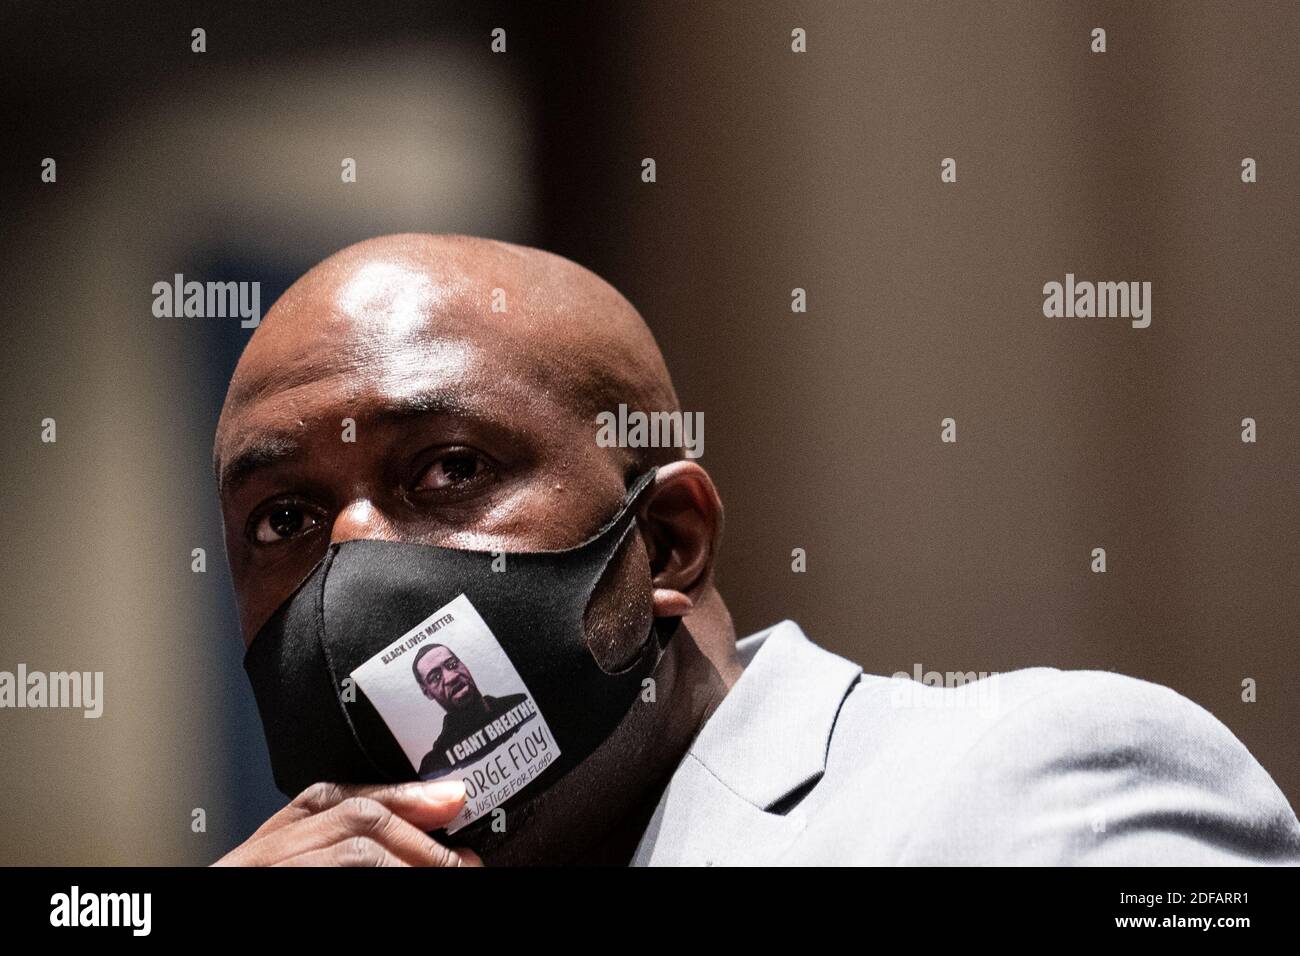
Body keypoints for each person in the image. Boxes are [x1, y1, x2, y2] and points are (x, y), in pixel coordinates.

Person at [211, 234, 1300, 866]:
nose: (351, 558)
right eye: (283, 520)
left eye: (449, 469)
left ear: (668, 540)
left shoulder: (1047, 778)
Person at [410, 643, 530, 777]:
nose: (451, 677)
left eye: (452, 664)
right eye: (435, 677)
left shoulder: (520, 703)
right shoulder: (435, 764)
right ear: (427, 692)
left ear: (464, 664)